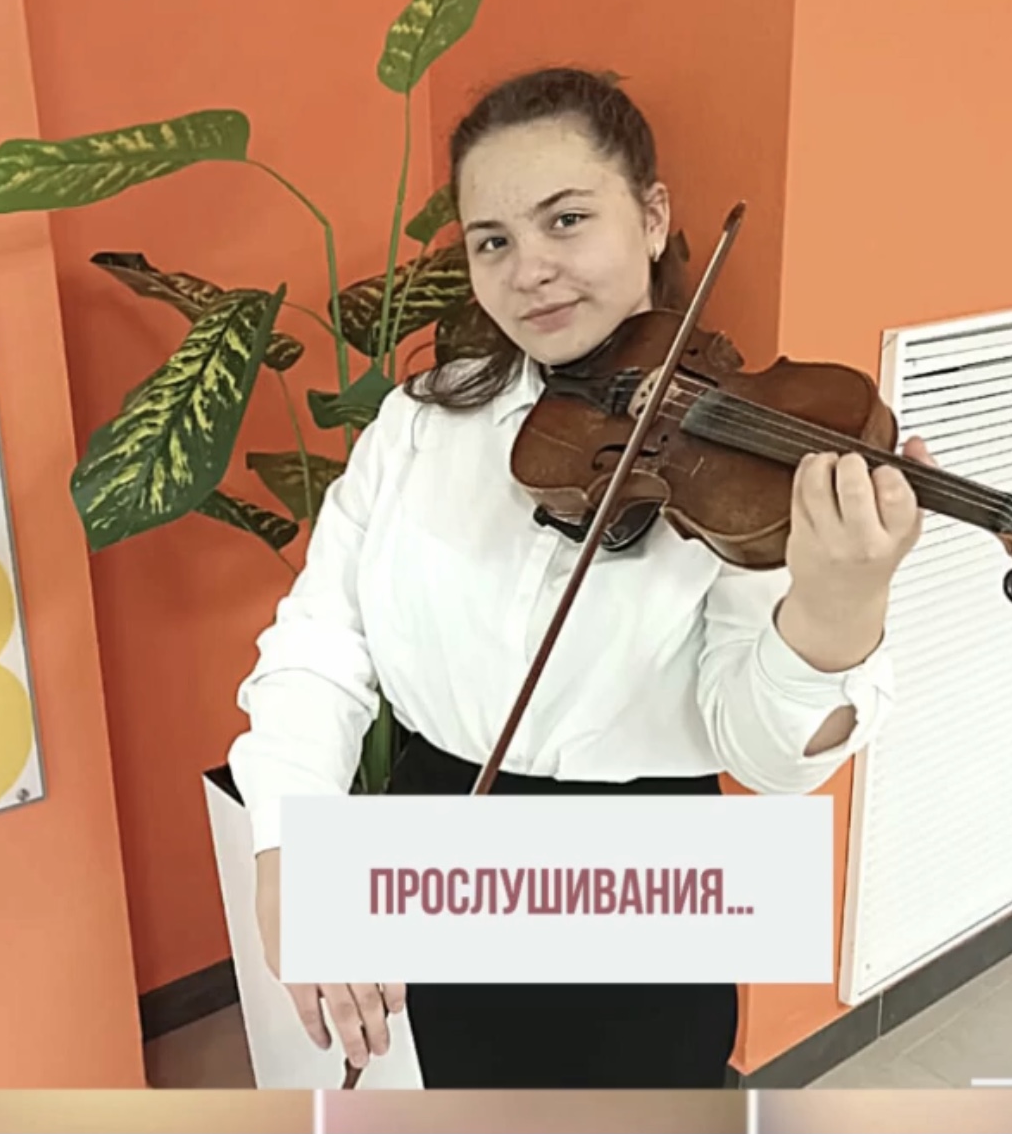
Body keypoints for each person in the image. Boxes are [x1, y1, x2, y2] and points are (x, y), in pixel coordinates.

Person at [228, 65, 933, 1090]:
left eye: (566, 220)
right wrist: (291, 842)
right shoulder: (419, 423)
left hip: (642, 877)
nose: (530, 271)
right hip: (442, 822)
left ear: (651, 217)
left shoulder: (745, 456)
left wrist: (837, 606)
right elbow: (319, 641)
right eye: (493, 241)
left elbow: (772, 759)